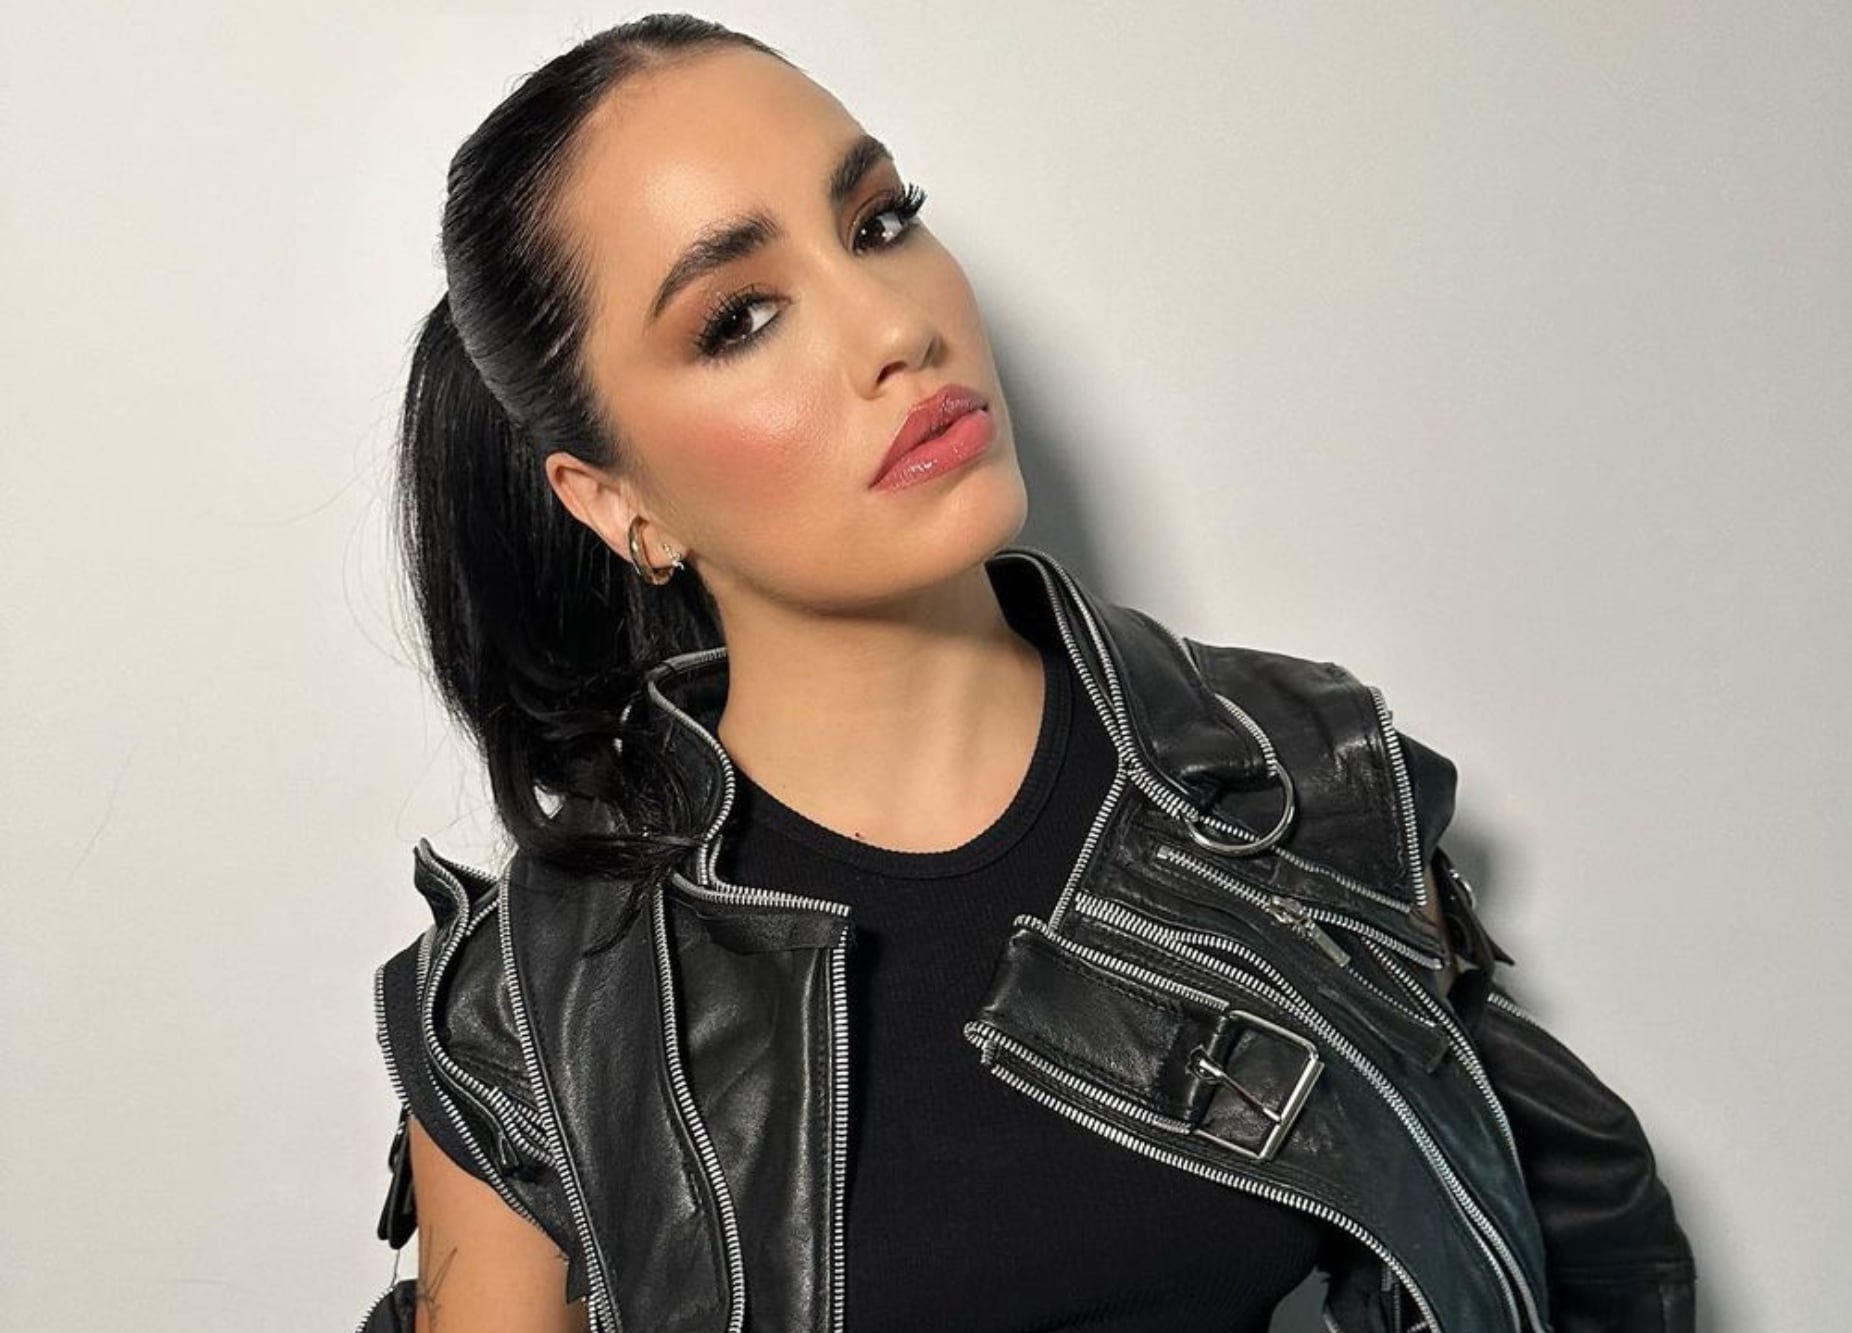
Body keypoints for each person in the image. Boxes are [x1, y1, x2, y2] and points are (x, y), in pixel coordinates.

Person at [358, 13, 1695, 1333]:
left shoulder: (1294, 783)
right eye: (742, 316)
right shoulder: (530, 1014)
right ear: (617, 502)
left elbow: (1555, 1254)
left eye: (879, 221)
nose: (894, 326)